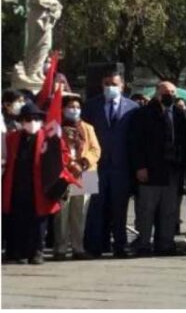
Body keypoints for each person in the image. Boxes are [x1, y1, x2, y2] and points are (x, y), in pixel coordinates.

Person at [82, 71, 139, 258]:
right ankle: (95, 245)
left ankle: (120, 245)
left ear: (122, 85)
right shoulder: (90, 106)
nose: (110, 87)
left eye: (114, 83)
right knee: (93, 208)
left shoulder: (133, 108)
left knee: (119, 208)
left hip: (121, 167)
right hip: (93, 167)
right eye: (106, 83)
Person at [130, 82, 186, 256]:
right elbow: (136, 143)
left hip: (172, 170)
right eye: (165, 92)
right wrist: (140, 167)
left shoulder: (179, 114)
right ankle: (144, 244)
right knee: (147, 210)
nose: (169, 95)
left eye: (172, 92)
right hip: (150, 170)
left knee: (169, 210)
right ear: (157, 94)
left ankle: (166, 243)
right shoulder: (143, 114)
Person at [2, 103, 64, 264]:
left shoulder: (49, 138)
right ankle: (19, 252)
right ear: (22, 121)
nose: (32, 122)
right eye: (28, 119)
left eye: (36, 119)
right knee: (18, 220)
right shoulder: (12, 138)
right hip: (17, 185)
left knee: (39, 221)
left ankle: (37, 251)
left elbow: (60, 157)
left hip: (39, 186)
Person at [53, 95, 101, 260]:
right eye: (71, 107)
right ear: (63, 109)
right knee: (62, 213)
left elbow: (96, 150)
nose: (74, 110)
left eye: (77, 107)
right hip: (63, 173)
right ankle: (60, 249)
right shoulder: (56, 128)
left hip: (87, 174)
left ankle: (78, 248)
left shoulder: (88, 128)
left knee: (81, 213)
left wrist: (83, 162)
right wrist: (68, 165)